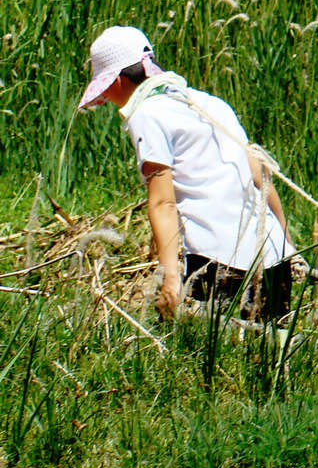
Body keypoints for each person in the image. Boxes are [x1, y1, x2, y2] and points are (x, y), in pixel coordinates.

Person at [79, 26, 296, 321]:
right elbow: (261, 177)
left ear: (116, 81)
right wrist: (287, 244)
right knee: (270, 356)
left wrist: (169, 278)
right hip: (272, 256)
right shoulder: (211, 104)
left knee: (213, 359)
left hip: (222, 263)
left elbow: (162, 203)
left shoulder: (147, 115)